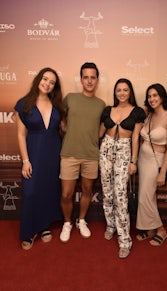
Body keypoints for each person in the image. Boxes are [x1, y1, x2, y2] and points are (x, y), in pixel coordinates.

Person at [14, 67, 64, 250]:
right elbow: (20, 135)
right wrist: (26, 161)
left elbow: (62, 129)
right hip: (33, 153)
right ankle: (28, 232)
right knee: (31, 191)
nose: (47, 84)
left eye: (52, 82)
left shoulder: (57, 105)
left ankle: (43, 227)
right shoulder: (24, 104)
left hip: (53, 153)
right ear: (38, 80)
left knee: (48, 190)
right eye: (45, 79)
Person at [99, 78, 146, 258]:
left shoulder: (137, 112)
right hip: (106, 149)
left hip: (125, 151)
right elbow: (100, 133)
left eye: (125, 90)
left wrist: (133, 161)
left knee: (120, 196)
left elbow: (135, 138)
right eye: (119, 90)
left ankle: (124, 239)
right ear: (115, 92)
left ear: (130, 92)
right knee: (107, 192)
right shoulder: (108, 110)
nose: (122, 93)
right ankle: (110, 225)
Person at [59, 62, 105, 242]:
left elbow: (101, 129)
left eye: (93, 77)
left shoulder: (102, 104)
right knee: (66, 194)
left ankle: (82, 220)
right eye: (86, 77)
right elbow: (59, 119)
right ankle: (67, 223)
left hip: (91, 155)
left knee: (87, 190)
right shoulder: (70, 98)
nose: (89, 81)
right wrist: (66, 129)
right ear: (81, 79)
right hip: (69, 153)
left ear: (97, 80)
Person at [136, 83, 167, 246]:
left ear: (162, 97)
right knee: (148, 196)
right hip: (142, 160)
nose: (152, 99)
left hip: (156, 161)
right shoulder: (149, 115)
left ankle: (161, 229)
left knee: (144, 197)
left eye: (155, 95)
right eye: (149, 96)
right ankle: (150, 229)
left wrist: (163, 171)